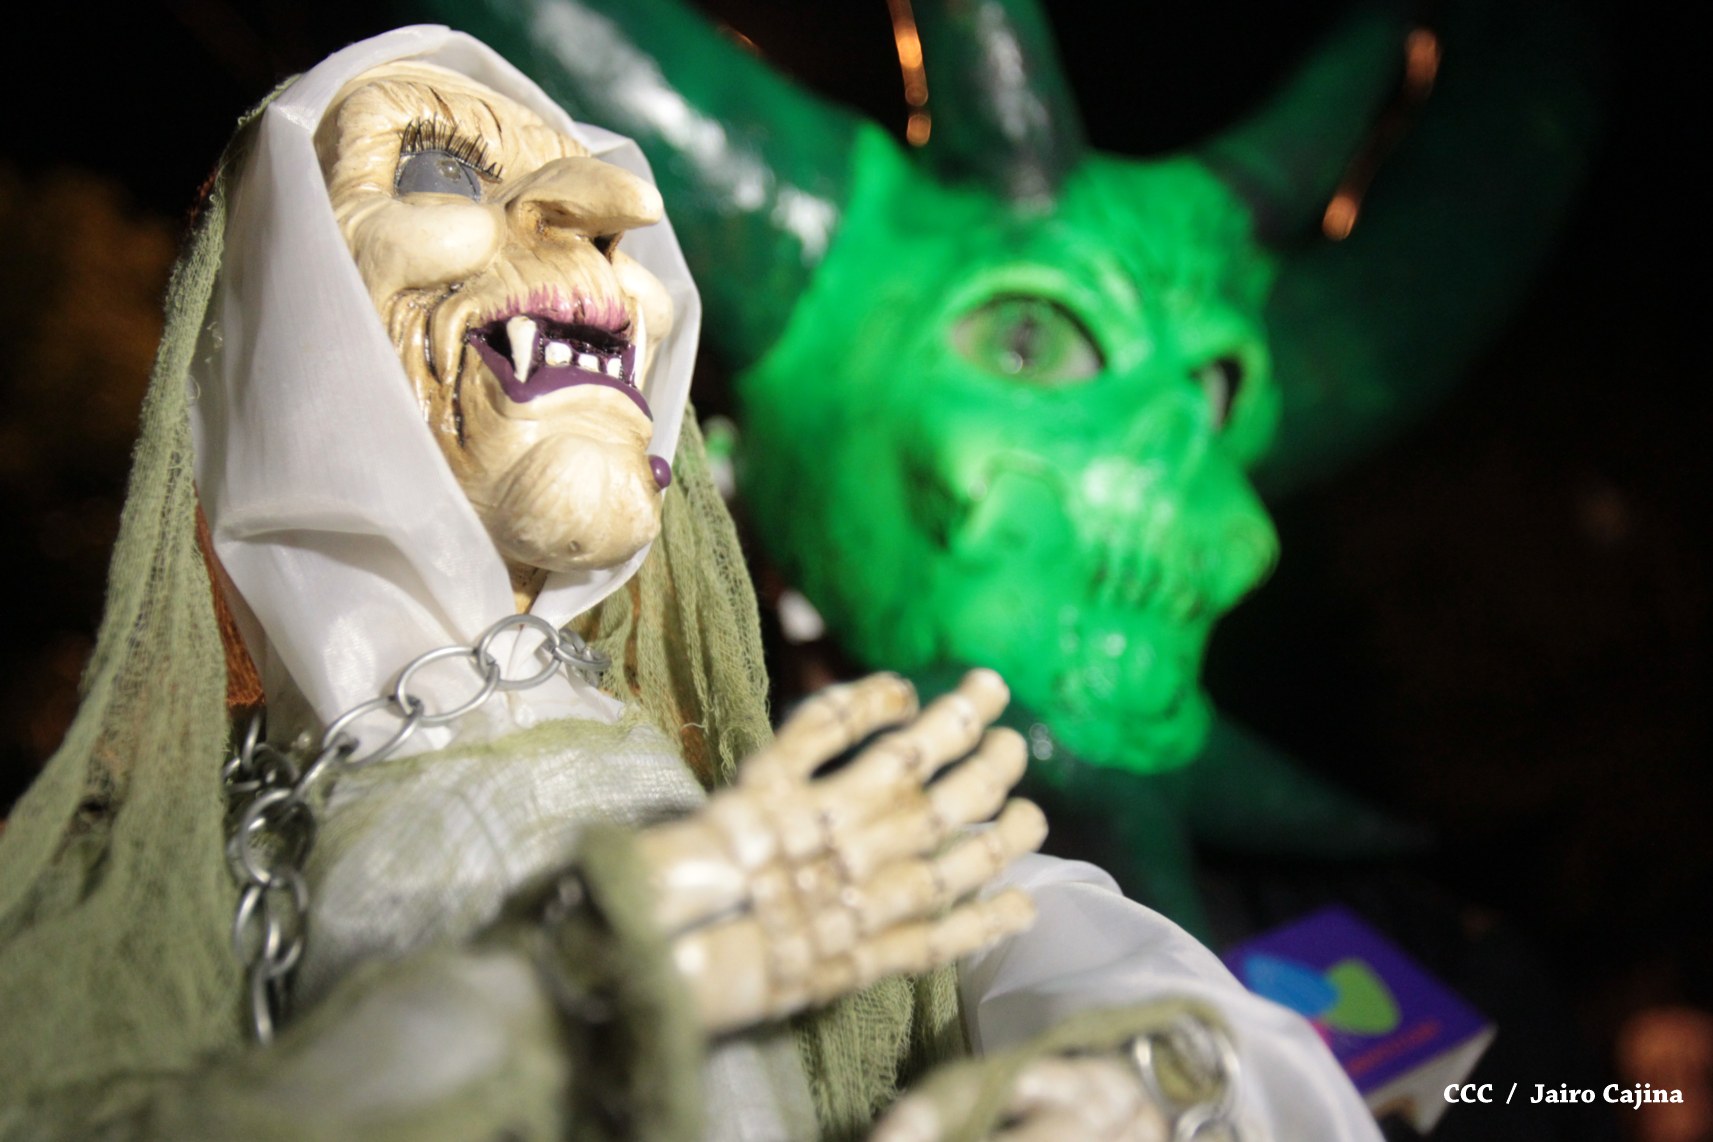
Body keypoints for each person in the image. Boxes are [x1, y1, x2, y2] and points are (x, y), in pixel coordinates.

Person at [0, 25, 1379, 1141]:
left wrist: (1135, 1073)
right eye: (435, 167)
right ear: (280, 312)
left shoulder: (766, 817)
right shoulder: (131, 908)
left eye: (612, 240)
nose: (619, 208)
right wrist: (544, 1003)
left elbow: (1079, 954)